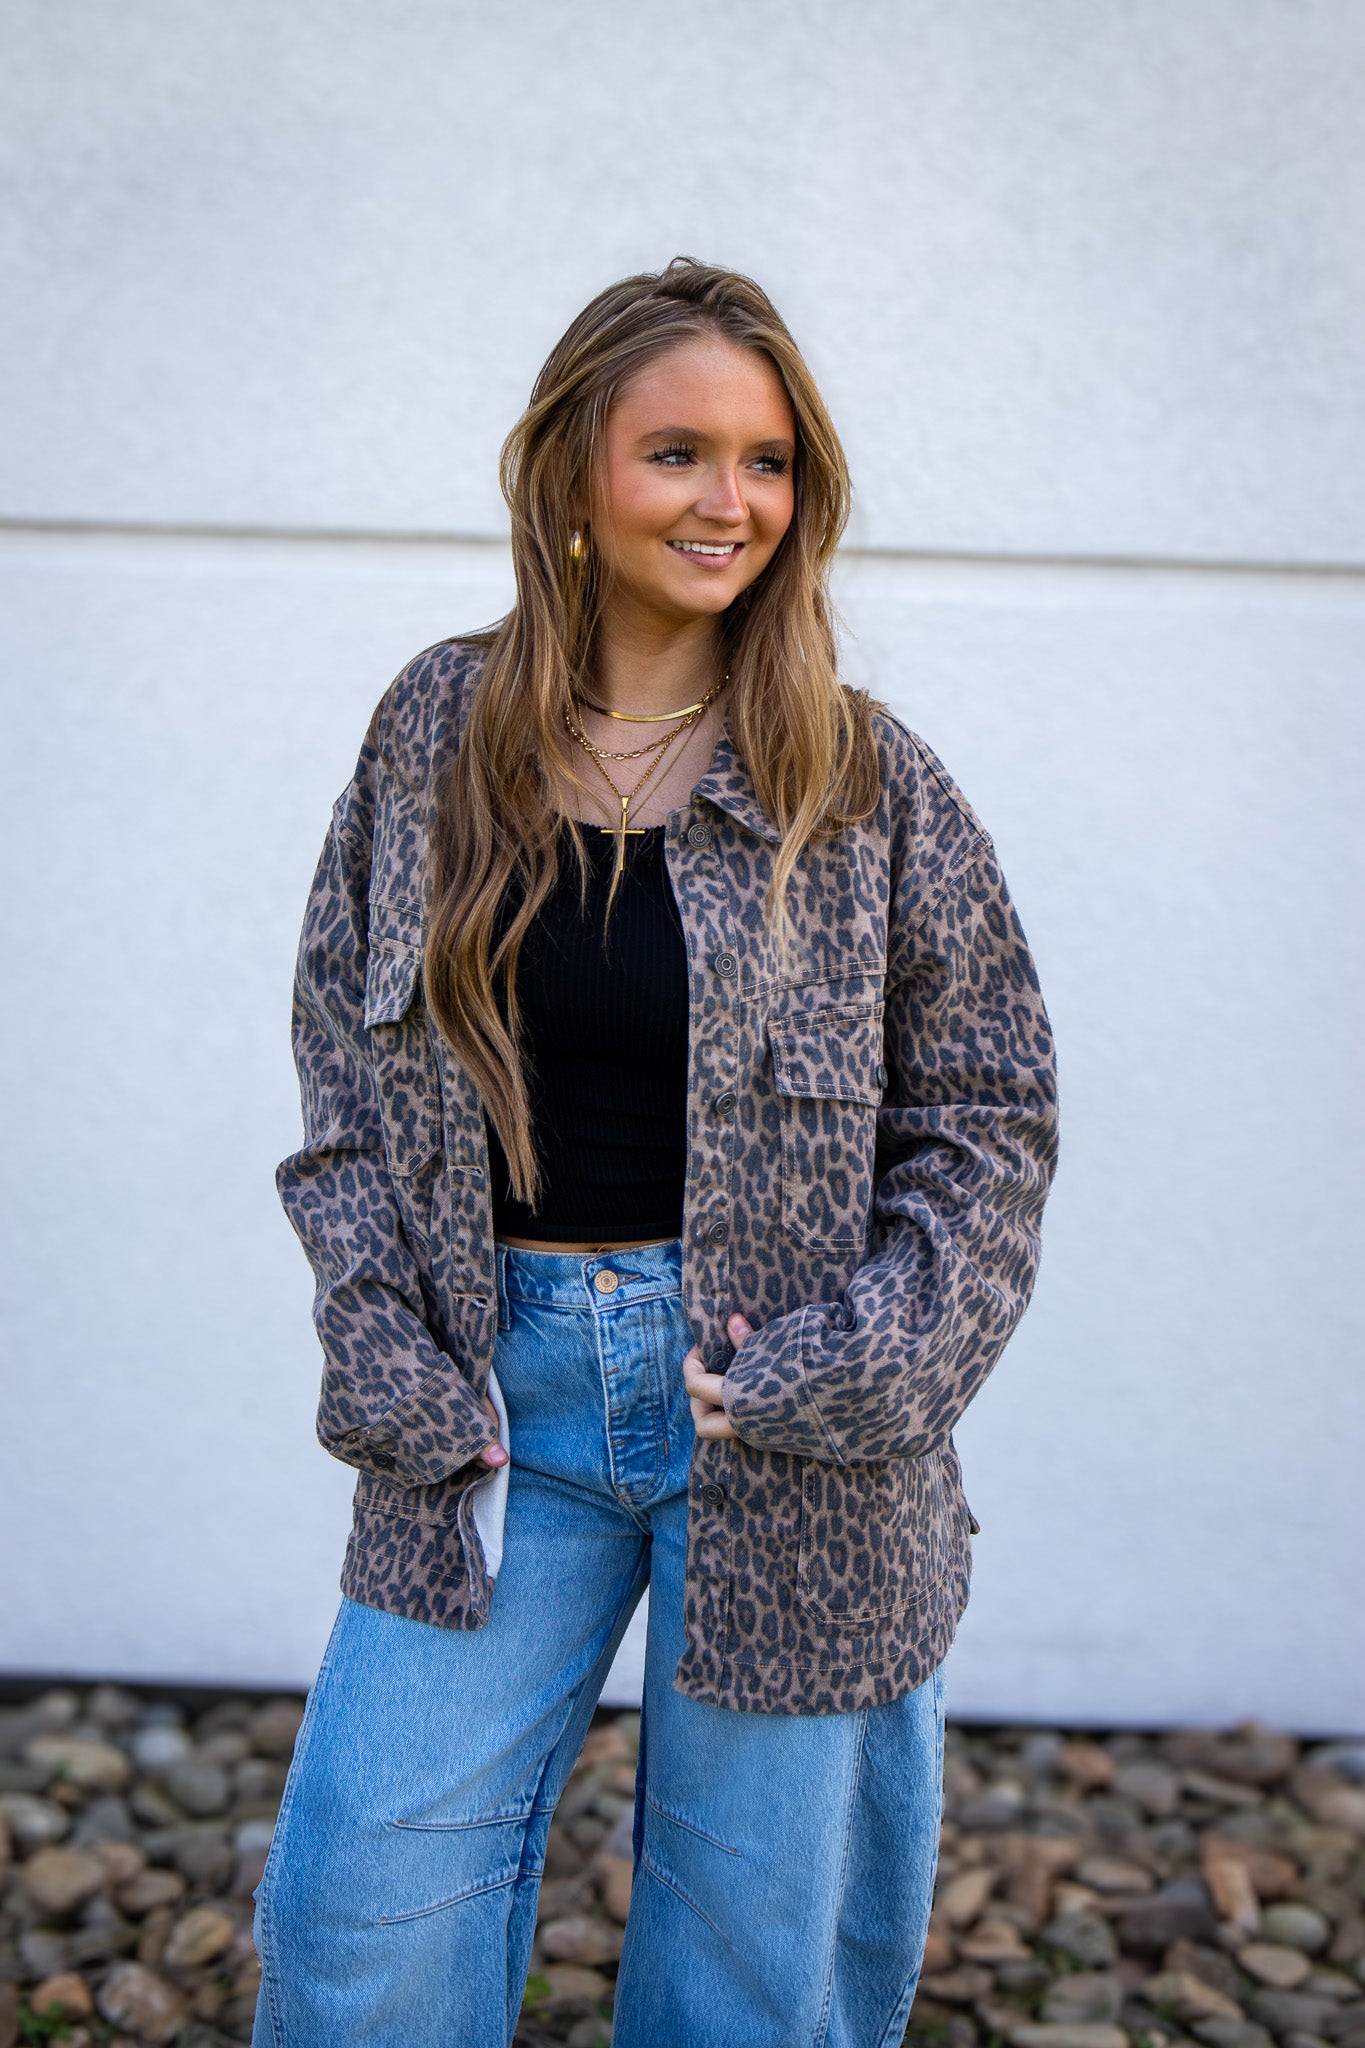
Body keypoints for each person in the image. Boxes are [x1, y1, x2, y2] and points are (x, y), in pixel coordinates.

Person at [253, 257, 1058, 2048]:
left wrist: (861, 1363)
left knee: (749, 1974)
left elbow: (989, 1117)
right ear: (571, 472)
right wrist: (373, 1334)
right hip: (490, 1409)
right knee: (359, 1908)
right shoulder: (434, 730)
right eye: (677, 452)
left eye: (766, 462)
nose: (727, 501)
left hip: (786, 1424)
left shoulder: (862, 778)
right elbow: (340, 1068)